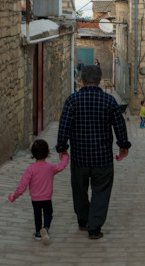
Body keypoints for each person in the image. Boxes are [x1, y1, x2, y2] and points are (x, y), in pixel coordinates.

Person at [56, 64, 131, 240]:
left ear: (81, 80)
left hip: (79, 158)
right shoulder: (109, 101)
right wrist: (123, 145)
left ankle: (83, 220)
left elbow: (64, 126)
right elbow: (120, 126)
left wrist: (62, 147)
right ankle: (94, 227)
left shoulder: (72, 100)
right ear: (99, 80)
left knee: (79, 190)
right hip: (102, 158)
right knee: (101, 192)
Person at [8, 139, 69, 245]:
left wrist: (15, 195)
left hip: (35, 199)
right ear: (47, 153)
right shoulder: (50, 167)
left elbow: (23, 184)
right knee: (48, 214)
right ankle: (45, 228)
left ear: (32, 153)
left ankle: (38, 233)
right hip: (47, 198)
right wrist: (65, 156)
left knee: (37, 215)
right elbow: (61, 166)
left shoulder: (30, 169)